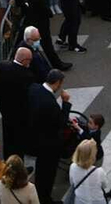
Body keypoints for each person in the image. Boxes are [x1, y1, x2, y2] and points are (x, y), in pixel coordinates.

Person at [27, 69, 72, 204]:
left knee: (41, 170)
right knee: (48, 173)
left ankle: (40, 194)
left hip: (36, 137)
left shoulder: (34, 88)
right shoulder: (51, 103)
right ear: (57, 82)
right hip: (49, 144)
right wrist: (65, 103)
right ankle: (45, 199)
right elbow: (61, 123)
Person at [68, 139, 108, 204]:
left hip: (80, 201)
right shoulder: (99, 172)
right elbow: (104, 185)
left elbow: (72, 183)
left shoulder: (73, 167)